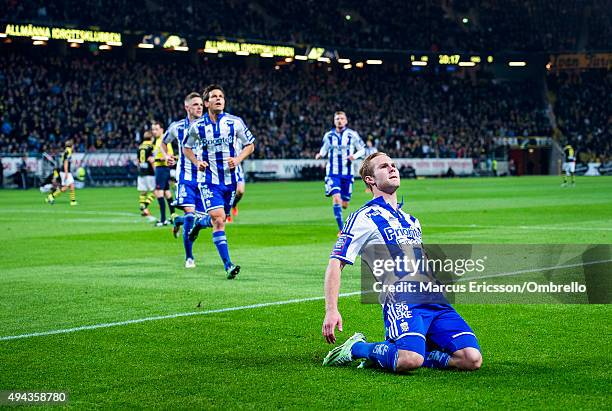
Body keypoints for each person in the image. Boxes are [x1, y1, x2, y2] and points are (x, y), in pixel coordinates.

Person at [321, 152, 482, 373]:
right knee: (408, 360)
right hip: (401, 300)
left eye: (393, 165)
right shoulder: (363, 217)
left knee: (471, 359)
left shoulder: (412, 220)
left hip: (434, 299)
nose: (392, 168)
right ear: (370, 179)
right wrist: (331, 309)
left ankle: (413, 349)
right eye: (384, 166)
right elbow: (335, 262)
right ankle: (356, 347)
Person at [183, 84, 255, 279]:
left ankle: (199, 224)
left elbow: (250, 145)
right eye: (214, 97)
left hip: (230, 181)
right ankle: (228, 265)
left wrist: (238, 159)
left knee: (219, 219)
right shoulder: (197, 127)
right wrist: (197, 162)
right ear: (207, 103)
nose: (218, 99)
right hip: (208, 181)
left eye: (221, 96)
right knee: (218, 219)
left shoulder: (235, 122)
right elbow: (186, 148)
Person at [161, 92, 204, 268]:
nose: (199, 107)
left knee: (203, 220)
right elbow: (163, 142)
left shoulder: (209, 126)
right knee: (190, 215)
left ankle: (177, 221)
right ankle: (189, 257)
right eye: (195, 104)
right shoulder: (177, 127)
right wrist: (167, 156)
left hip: (205, 179)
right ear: (187, 107)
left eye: (201, 104)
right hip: (185, 177)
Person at [315, 111, 365, 232]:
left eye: (342, 118)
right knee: (336, 198)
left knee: (344, 204)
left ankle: (344, 203)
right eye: (337, 118)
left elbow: (362, 150)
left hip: (347, 173)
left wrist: (355, 156)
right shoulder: (328, 136)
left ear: (346, 121)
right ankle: (341, 229)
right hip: (332, 173)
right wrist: (320, 154)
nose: (339, 120)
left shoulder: (352, 135)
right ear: (334, 121)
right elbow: (324, 148)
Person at [151, 120, 176, 226]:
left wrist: (158, 159)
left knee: (159, 192)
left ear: (162, 130)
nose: (154, 131)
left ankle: (163, 220)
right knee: (167, 193)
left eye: (156, 129)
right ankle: (173, 217)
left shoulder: (164, 140)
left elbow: (170, 154)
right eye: (153, 129)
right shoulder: (157, 141)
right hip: (161, 169)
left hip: (162, 168)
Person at [46, 140, 77, 205]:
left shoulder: (66, 151)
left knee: (67, 187)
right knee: (68, 187)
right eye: (73, 145)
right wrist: (66, 172)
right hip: (66, 171)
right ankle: (72, 201)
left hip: (65, 171)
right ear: (71, 145)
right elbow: (65, 162)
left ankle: (72, 201)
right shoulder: (69, 151)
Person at [136, 131, 156, 216]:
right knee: (155, 191)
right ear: (151, 138)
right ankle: (145, 205)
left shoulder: (139, 147)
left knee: (143, 192)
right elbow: (151, 160)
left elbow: (137, 161)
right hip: (150, 172)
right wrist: (155, 170)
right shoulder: (152, 146)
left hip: (141, 172)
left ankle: (144, 210)